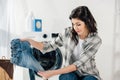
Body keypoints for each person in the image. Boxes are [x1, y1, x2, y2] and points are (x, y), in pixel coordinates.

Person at [21, 6, 102, 80]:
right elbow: (48, 46)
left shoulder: (95, 40)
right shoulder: (68, 32)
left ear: (87, 22)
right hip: (70, 73)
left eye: (78, 24)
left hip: (88, 74)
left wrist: (51, 73)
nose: (75, 28)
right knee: (66, 77)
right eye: (73, 24)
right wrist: (30, 41)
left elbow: (77, 64)